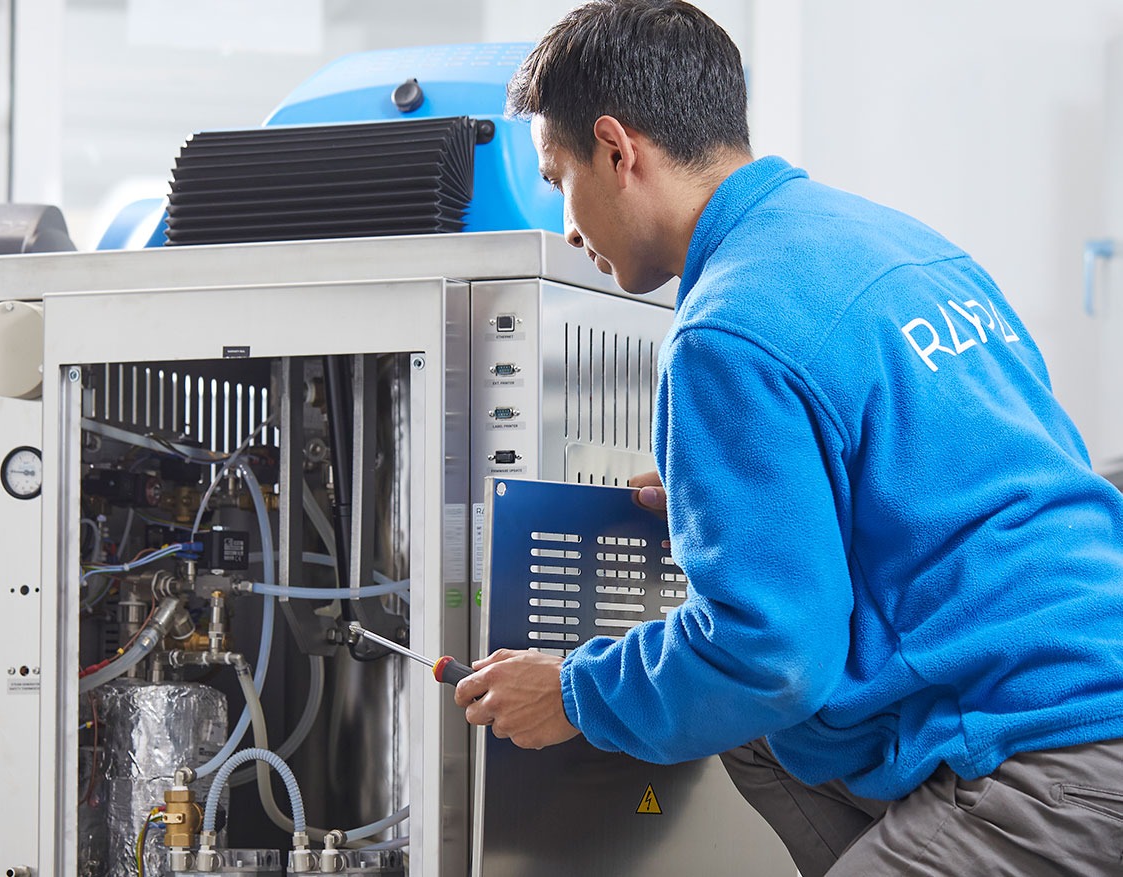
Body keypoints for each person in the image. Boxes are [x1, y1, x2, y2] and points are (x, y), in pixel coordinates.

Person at [452, 1, 1123, 874]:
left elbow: (770, 657)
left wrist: (574, 693)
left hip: (1044, 756)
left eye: (556, 178)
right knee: (759, 740)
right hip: (1085, 687)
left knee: (755, 693)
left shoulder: (726, 326)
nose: (569, 227)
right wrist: (725, 496)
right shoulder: (902, 246)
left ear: (617, 151)